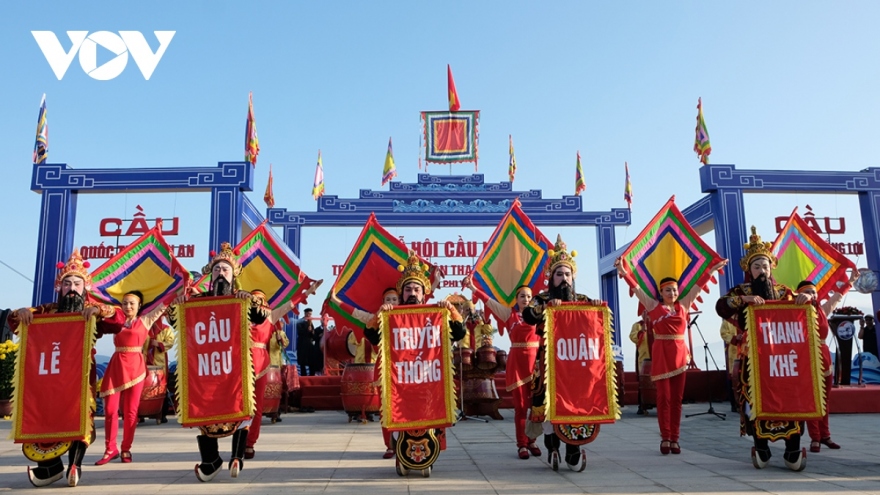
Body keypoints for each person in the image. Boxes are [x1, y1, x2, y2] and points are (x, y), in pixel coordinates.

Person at [8, 248, 123, 487]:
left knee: (80, 416)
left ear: (85, 288)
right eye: (67, 283)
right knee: (45, 417)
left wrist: (99, 310)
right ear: (59, 288)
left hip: (80, 378)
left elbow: (118, 319)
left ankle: (75, 465)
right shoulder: (47, 310)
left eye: (77, 284)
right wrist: (20, 313)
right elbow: (15, 322)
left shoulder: (90, 311)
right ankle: (51, 467)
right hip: (48, 377)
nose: (71, 288)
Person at [715, 226, 812, 471]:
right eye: (756, 266)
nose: (761, 270)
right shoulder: (742, 291)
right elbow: (721, 306)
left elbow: (806, 313)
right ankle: (762, 447)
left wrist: (806, 299)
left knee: (792, 398)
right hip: (755, 358)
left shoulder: (784, 292)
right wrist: (744, 301)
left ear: (771, 268)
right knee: (755, 398)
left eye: (765, 266)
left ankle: (792, 448)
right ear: (749, 269)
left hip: (784, 359)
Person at [364, 251, 466, 472]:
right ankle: (401, 453)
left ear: (424, 293)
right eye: (408, 289)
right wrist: (380, 314)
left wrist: (450, 310)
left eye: (416, 289)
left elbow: (458, 333)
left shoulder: (434, 314)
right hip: (402, 380)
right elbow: (371, 335)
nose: (412, 293)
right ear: (401, 293)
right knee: (401, 417)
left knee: (428, 417)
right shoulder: (392, 316)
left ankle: (427, 454)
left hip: (428, 377)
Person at [171, 242, 261, 482]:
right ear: (210, 275)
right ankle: (211, 460)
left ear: (234, 276)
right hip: (206, 367)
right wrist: (178, 305)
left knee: (241, 408)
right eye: (217, 270)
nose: (221, 273)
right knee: (204, 407)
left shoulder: (241, 298)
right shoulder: (198, 300)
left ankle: (237, 456)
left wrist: (248, 299)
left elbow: (261, 315)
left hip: (235, 365)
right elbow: (174, 319)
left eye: (226, 270)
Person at [618, 260, 727, 455]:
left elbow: (698, 287)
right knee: (663, 398)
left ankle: (675, 439)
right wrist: (623, 272)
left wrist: (710, 270)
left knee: (677, 399)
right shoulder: (652, 306)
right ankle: (665, 437)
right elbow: (636, 289)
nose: (672, 294)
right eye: (668, 290)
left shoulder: (683, 305)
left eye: (675, 290)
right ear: (661, 292)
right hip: (662, 355)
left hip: (679, 356)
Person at [522, 235, 603, 472]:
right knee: (548, 408)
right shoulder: (542, 299)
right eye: (559, 274)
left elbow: (598, 325)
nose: (564, 279)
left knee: (575, 406)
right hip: (549, 364)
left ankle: (574, 450)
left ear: (573, 276)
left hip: (576, 366)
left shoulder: (582, 300)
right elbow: (528, 315)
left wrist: (595, 308)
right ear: (551, 278)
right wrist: (546, 308)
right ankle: (552, 447)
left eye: (568, 274)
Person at [466, 278, 542, 460]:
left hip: (536, 365)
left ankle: (532, 439)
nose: (526, 299)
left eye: (529, 296)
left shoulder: (540, 315)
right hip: (517, 364)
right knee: (521, 406)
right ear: (516, 299)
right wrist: (472, 287)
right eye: (522, 296)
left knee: (538, 407)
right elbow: (489, 302)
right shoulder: (509, 315)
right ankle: (522, 444)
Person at [95, 290, 167, 465]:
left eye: (131, 303)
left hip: (136, 367)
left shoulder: (145, 320)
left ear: (139, 306)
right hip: (117, 365)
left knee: (131, 412)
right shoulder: (116, 320)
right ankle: (110, 449)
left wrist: (181, 288)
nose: (127, 306)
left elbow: (164, 303)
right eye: (125, 303)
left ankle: (126, 448)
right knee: (111, 410)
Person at [244, 289, 312, 460]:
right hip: (241, 364)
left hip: (261, 365)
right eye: (254, 299)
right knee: (241, 406)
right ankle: (238, 441)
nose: (257, 302)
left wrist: (306, 293)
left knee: (257, 407)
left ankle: (250, 443)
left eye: (261, 300)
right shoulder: (239, 316)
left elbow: (290, 305)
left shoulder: (270, 317)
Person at [797, 272, 858, 453]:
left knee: (824, 400)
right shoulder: (796, 313)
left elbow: (838, 297)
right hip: (807, 357)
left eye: (814, 292)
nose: (812, 295)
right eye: (808, 292)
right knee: (811, 400)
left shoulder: (822, 311)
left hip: (824, 359)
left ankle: (825, 436)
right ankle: (814, 438)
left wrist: (851, 281)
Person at [144, 317, 175, 423]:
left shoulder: (166, 329)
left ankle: (162, 414)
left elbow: (170, 342)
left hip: (159, 362)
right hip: (143, 362)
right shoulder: (143, 328)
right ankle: (141, 413)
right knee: (142, 389)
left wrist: (158, 344)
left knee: (160, 388)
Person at [268, 321, 290, 421]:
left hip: (276, 362)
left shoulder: (280, 333)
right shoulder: (266, 332)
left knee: (278, 389)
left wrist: (280, 339)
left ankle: (276, 411)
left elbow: (285, 344)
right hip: (265, 362)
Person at [628, 318, 650, 415]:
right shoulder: (637, 325)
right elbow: (633, 338)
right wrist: (642, 332)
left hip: (658, 356)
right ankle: (642, 405)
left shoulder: (659, 323)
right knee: (643, 381)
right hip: (644, 357)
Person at [718, 320, 740, 412]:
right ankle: (734, 404)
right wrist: (735, 338)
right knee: (733, 377)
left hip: (746, 350)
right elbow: (723, 333)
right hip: (733, 351)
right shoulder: (728, 320)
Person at [296, 309, 316, 376]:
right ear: (305, 313)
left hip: (310, 345)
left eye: (310, 314)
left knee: (312, 361)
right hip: (302, 344)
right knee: (302, 361)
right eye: (308, 314)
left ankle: (312, 375)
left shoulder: (310, 322)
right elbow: (300, 332)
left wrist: (312, 332)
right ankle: (303, 375)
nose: (310, 315)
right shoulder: (300, 322)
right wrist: (307, 330)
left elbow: (312, 334)